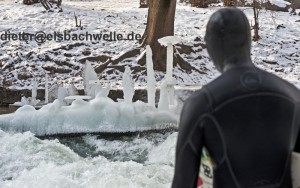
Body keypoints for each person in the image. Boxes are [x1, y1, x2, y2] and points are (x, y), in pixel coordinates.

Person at [171, 8, 300, 188]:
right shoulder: (293, 95)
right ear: (248, 42)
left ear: (211, 45)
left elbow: (182, 183)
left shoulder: (202, 102)